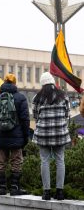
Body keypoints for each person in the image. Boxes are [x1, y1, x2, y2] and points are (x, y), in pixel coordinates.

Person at [32, 72, 71, 200]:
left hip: (43, 134)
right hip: (60, 133)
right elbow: (67, 114)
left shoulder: (37, 98)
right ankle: (60, 192)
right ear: (53, 83)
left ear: (42, 84)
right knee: (60, 161)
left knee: (44, 161)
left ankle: (46, 192)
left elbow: (35, 116)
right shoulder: (64, 96)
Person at [0, 73, 30, 195]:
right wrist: (25, 136)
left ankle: (1, 188)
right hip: (17, 136)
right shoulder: (21, 98)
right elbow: (25, 119)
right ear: (14, 83)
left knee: (0, 162)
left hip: (1, 135)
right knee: (16, 161)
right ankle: (14, 188)